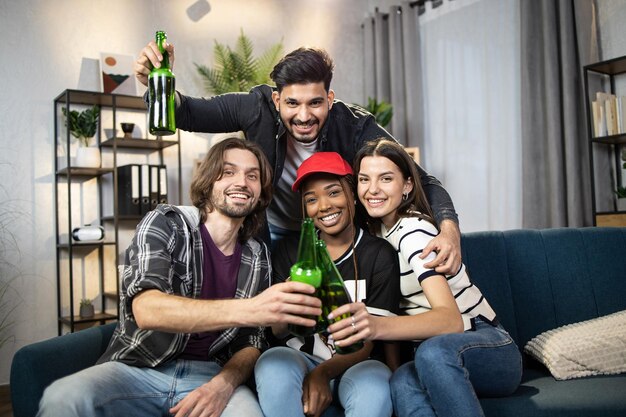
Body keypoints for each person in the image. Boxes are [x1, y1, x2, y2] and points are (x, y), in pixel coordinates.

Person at [37, 138, 322, 417]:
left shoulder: (257, 253)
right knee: (63, 398)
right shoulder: (165, 223)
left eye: (252, 176)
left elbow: (251, 343)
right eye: (228, 172)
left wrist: (223, 385)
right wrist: (255, 308)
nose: (242, 182)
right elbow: (147, 309)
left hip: (210, 374)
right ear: (208, 181)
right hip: (139, 369)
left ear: (260, 192)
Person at [134, 42, 461, 275]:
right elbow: (187, 112)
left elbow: (422, 180)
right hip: (268, 231)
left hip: (330, 230)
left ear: (330, 99)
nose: (304, 116)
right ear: (277, 99)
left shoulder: (355, 125)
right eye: (292, 104)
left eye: (315, 103)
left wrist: (448, 231)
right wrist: (155, 84)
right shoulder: (257, 107)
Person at [326, 138, 522, 417]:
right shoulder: (377, 234)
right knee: (403, 380)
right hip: (432, 354)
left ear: (407, 185)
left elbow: (450, 320)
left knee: (431, 354)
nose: (372, 190)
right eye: (364, 179)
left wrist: (375, 326)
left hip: (487, 345)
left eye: (385, 179)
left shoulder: (413, 233)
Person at [254, 152, 401, 417]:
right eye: (311, 199)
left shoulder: (379, 254)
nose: (323, 206)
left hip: (359, 362)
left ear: (353, 194)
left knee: (374, 387)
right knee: (271, 365)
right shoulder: (288, 251)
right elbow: (275, 333)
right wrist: (286, 303)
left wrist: (322, 374)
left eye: (334, 193)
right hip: (299, 358)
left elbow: (371, 338)